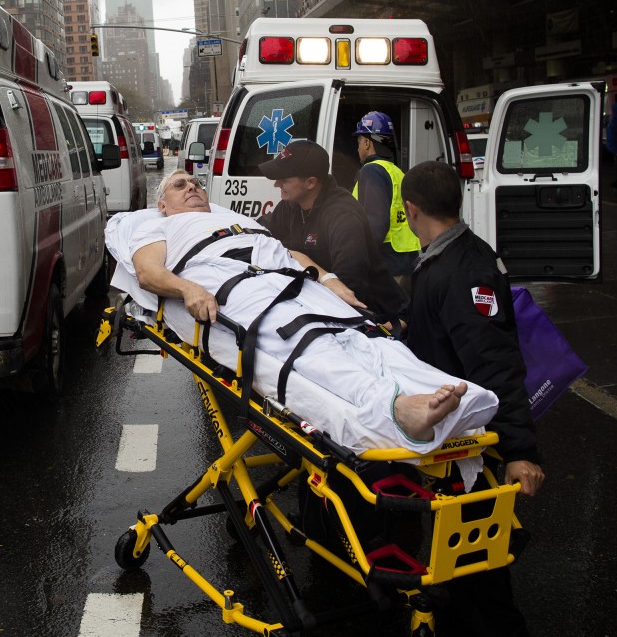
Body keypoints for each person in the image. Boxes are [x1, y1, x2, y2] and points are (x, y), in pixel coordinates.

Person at [111, 170, 502, 456]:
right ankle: (393, 409)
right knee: (308, 340)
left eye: (195, 183)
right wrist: (189, 289)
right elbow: (148, 273)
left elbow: (290, 253)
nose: (192, 187)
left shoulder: (236, 220)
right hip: (232, 282)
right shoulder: (156, 227)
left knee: (359, 331)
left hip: (289, 276)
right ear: (163, 205)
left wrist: (330, 280)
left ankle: (437, 390)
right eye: (180, 185)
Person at [401, 160, 543, 637]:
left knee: (483, 573)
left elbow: (495, 363)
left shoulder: (462, 272)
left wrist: (519, 451)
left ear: (411, 209)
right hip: (451, 431)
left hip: (470, 436)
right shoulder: (449, 258)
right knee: (462, 558)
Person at [255, 139, 407, 323]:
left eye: (284, 179)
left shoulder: (343, 216)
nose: (276, 184)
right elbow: (259, 233)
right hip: (326, 307)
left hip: (377, 318)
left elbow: (347, 288)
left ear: (310, 183)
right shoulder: (291, 205)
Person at [351, 111, 420, 295]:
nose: (358, 148)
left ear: (367, 142)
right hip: (406, 262)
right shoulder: (395, 171)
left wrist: (359, 260)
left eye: (359, 142)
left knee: (386, 322)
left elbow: (376, 223)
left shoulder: (371, 170)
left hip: (387, 265)